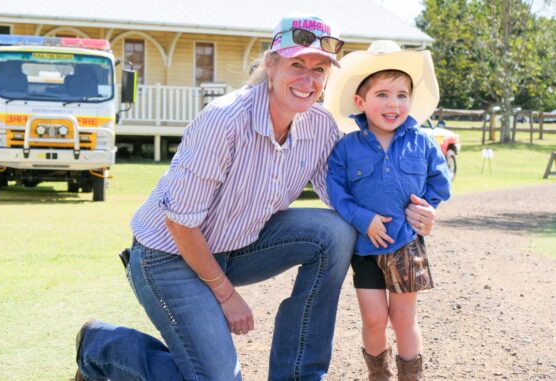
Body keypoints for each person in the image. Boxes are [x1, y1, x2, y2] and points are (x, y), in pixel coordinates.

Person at [74, 14, 439, 381]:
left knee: (335, 231)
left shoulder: (320, 126)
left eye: (318, 69)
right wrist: (226, 295)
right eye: (297, 64)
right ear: (270, 64)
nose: (307, 79)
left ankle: (298, 375)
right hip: (168, 256)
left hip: (237, 247)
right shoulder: (224, 120)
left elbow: (347, 195)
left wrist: (414, 212)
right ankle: (101, 346)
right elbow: (179, 221)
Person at [323, 40, 451, 381]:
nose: (393, 103)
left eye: (401, 95)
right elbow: (336, 192)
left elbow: (441, 185)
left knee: (403, 319)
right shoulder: (346, 147)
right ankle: (378, 375)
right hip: (365, 248)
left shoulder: (422, 142)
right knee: (375, 319)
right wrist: (362, 219)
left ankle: (412, 376)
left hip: (406, 245)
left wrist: (428, 211)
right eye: (382, 95)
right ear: (360, 102)